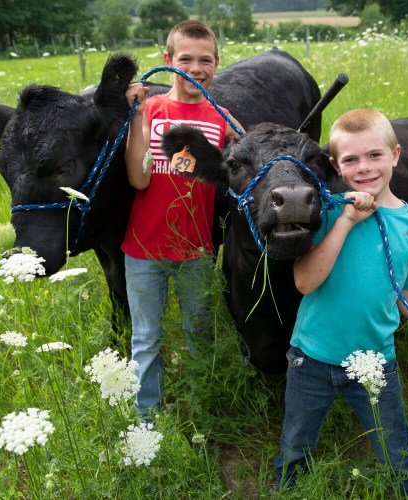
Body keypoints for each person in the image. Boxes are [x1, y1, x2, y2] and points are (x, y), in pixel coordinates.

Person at [274, 109, 408, 497]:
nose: (364, 167)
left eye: (375, 155)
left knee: (397, 449)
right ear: (335, 164)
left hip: (375, 364)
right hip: (311, 359)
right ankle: (290, 490)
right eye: (350, 159)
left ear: (396, 155)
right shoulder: (325, 209)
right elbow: (304, 282)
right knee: (296, 443)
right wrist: (347, 221)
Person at [123, 20, 243, 420]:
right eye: (185, 59)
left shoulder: (222, 118)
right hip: (142, 251)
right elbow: (139, 179)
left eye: (205, 60)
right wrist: (138, 116)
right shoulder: (151, 110)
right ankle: (147, 420)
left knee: (199, 335)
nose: (196, 68)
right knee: (147, 339)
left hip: (196, 251)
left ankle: (202, 408)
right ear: (167, 61)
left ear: (216, 63)